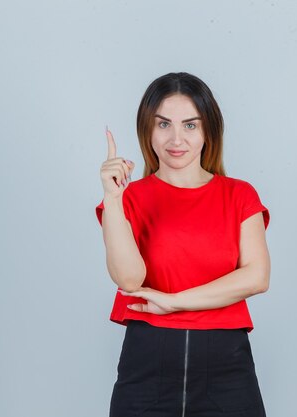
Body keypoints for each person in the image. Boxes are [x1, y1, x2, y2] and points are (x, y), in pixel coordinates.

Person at [95, 72, 271, 417]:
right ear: (147, 128)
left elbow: (256, 277)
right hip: (146, 361)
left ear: (208, 131)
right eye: (164, 124)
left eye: (190, 125)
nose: (176, 139)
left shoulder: (239, 194)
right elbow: (129, 281)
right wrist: (113, 199)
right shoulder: (128, 199)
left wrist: (173, 302)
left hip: (227, 366)